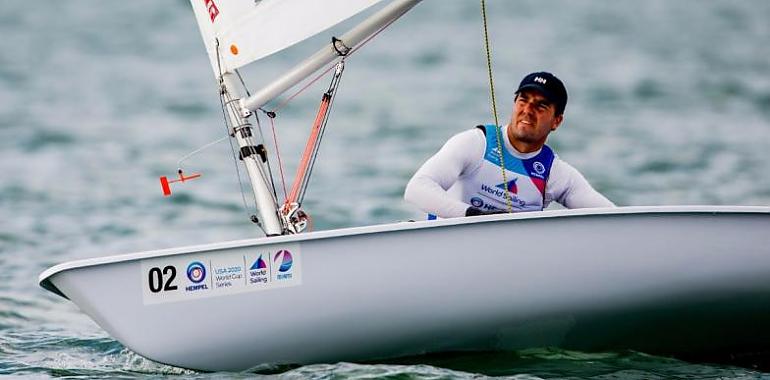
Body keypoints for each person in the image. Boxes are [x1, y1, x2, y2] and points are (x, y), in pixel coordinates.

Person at [404, 71, 615, 218]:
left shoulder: (556, 174)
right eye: (523, 100)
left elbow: (611, 218)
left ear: (557, 121)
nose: (528, 110)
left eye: (540, 106)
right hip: (449, 248)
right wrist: (473, 216)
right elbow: (416, 189)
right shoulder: (475, 143)